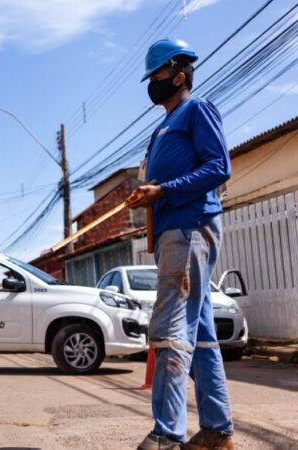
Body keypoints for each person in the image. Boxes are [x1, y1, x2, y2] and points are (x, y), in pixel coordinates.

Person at [129, 39, 234, 450]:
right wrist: (150, 194)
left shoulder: (196, 109)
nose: (151, 83)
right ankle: (217, 431)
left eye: (156, 74)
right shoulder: (162, 128)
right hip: (172, 231)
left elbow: (218, 166)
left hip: (190, 227)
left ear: (178, 74)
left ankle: (167, 434)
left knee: (169, 327)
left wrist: (165, 190)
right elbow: (165, 181)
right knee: (201, 336)